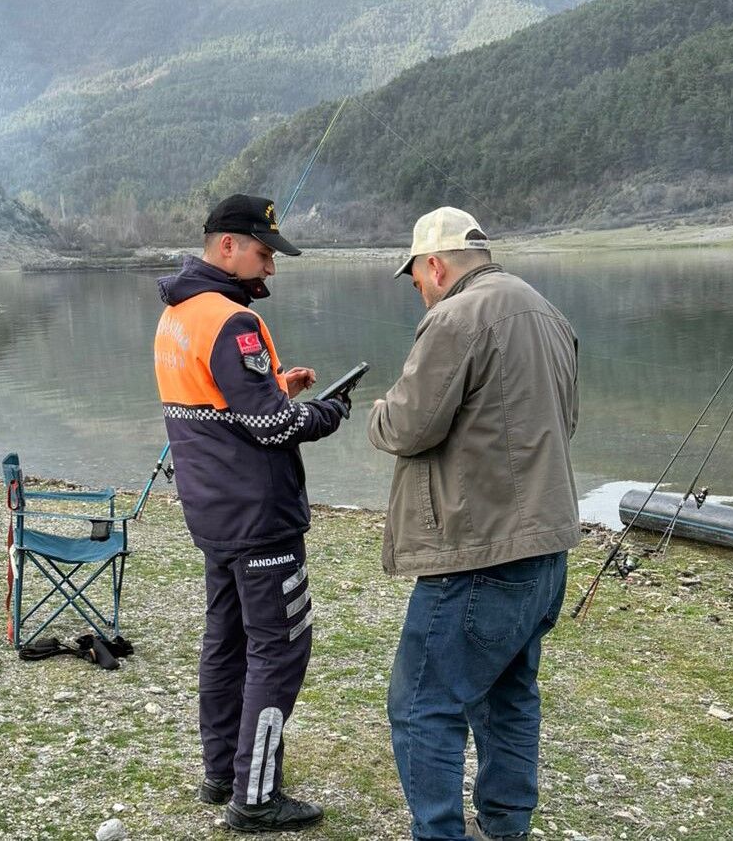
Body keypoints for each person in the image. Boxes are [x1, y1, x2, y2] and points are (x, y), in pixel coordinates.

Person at [367, 207, 580, 841]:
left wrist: (377, 411)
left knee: (421, 705)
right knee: (509, 696)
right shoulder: (548, 313)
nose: (419, 293)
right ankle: (507, 827)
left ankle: (439, 833)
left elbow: (408, 425)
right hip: (546, 544)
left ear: (433, 265)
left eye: (415, 281)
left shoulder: (456, 317)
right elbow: (562, 423)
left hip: (477, 550)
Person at [153, 194, 351, 833]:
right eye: (265, 254)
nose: (271, 269)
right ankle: (256, 797)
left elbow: (225, 408)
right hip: (260, 518)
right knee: (280, 650)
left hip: (213, 514)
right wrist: (325, 412)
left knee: (227, 642)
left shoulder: (177, 315)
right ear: (228, 246)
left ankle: (221, 774)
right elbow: (268, 428)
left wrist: (276, 389)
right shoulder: (232, 323)